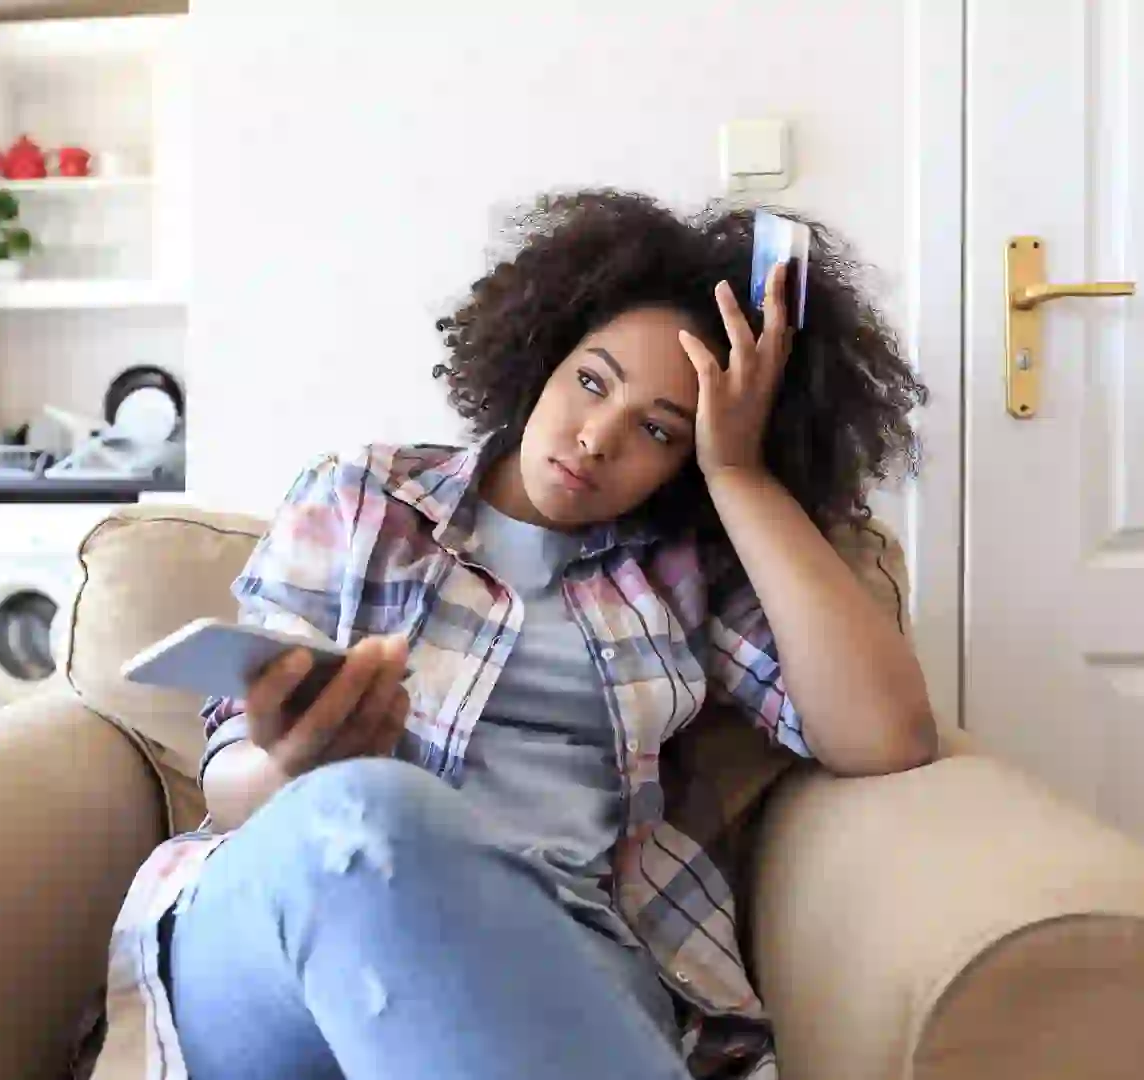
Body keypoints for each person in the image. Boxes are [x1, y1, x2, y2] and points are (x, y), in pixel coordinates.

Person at [119, 189, 936, 1080]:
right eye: (592, 381)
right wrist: (288, 769)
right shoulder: (361, 497)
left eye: (658, 430)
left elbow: (885, 737)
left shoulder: (685, 572)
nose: (594, 439)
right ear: (545, 353)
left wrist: (738, 473)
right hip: (279, 930)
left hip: (558, 945)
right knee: (370, 812)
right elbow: (229, 784)